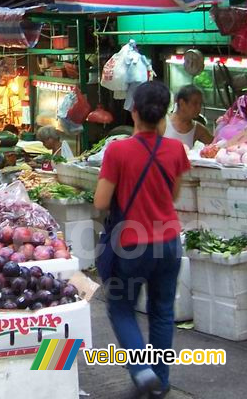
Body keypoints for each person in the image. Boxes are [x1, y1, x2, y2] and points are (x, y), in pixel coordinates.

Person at [94, 80, 191, 398]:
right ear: (163, 115)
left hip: (132, 245)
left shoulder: (118, 150)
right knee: (162, 311)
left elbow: (101, 202)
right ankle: (161, 382)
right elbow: (173, 194)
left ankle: (141, 369)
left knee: (121, 308)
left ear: (133, 112)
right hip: (169, 242)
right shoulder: (176, 149)